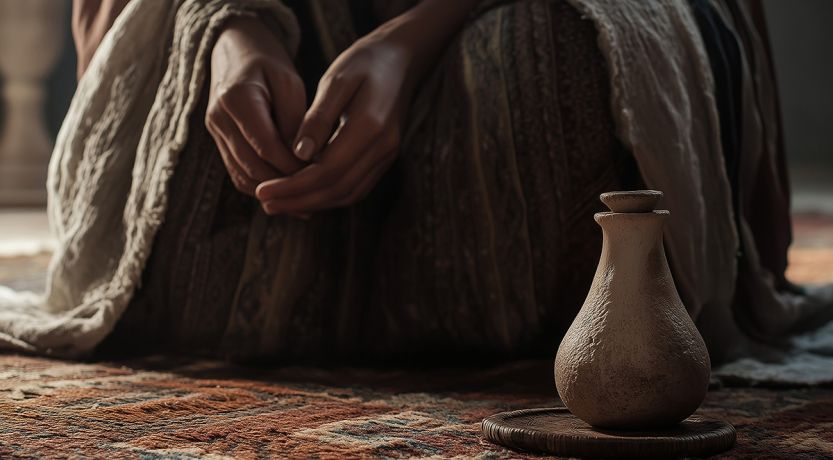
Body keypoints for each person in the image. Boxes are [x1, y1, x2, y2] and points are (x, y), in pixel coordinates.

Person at [67, 0, 819, 363]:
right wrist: (230, 29)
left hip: (490, 19)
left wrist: (410, 40)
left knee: (561, 65)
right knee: (179, 132)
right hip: (276, 26)